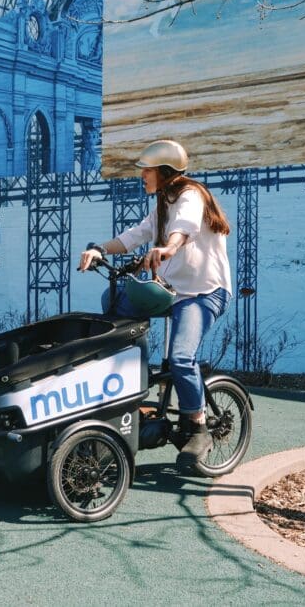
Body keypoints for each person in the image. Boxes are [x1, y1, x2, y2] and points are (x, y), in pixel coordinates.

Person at [77, 140, 232, 474]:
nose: (142, 176)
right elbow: (135, 235)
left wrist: (169, 248)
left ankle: (197, 424)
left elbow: (185, 228)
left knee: (180, 357)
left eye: (146, 170)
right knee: (115, 301)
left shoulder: (191, 196)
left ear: (164, 172)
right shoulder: (162, 204)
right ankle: (135, 374)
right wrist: (100, 249)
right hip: (174, 293)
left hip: (204, 293)